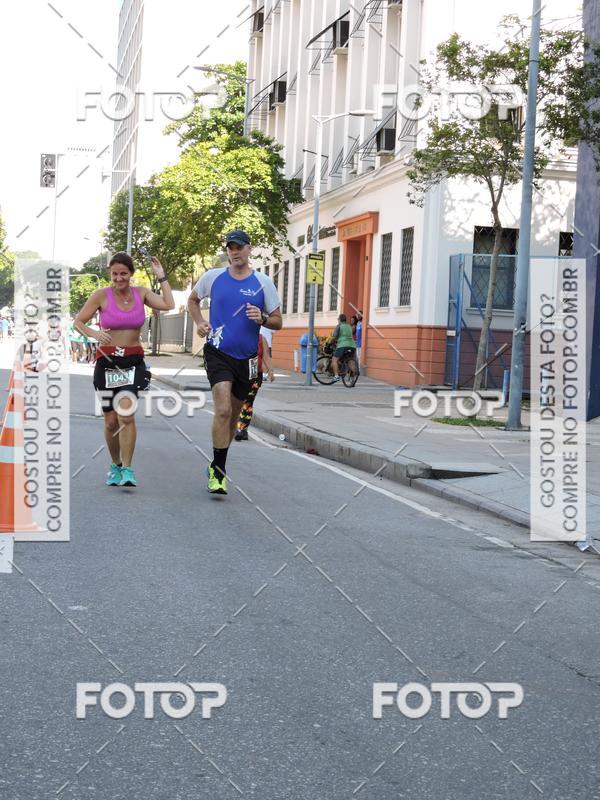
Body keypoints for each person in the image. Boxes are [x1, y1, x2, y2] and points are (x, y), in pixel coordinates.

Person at [187, 229, 282, 495]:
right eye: (230, 247)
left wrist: (262, 318)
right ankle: (218, 473)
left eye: (239, 247)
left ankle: (217, 462)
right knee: (223, 410)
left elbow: (278, 321)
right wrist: (199, 323)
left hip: (248, 359)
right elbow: (192, 300)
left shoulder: (263, 283)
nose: (234, 251)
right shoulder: (213, 278)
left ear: (249, 249)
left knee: (234, 416)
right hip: (218, 353)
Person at [74, 251, 174, 487]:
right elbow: (78, 322)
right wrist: (94, 333)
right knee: (111, 421)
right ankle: (116, 465)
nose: (119, 279)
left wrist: (161, 276)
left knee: (126, 415)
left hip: (133, 363)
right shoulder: (100, 295)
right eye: (115, 274)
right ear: (110, 273)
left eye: (124, 274)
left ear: (131, 274)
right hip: (107, 363)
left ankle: (128, 469)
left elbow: (169, 304)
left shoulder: (141, 293)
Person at [235, 331, 275, 441]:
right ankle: (238, 427)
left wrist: (270, 370)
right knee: (238, 401)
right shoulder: (239, 337)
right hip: (240, 375)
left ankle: (242, 429)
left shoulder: (261, 339)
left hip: (255, 375)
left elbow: (265, 355)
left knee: (248, 402)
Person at [330, 313, 357, 382]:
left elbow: (334, 337)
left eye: (338, 319)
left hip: (343, 345)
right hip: (352, 345)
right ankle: (354, 374)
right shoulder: (349, 326)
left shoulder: (339, 326)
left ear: (340, 320)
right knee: (350, 361)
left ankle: (336, 376)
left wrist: (330, 343)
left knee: (334, 360)